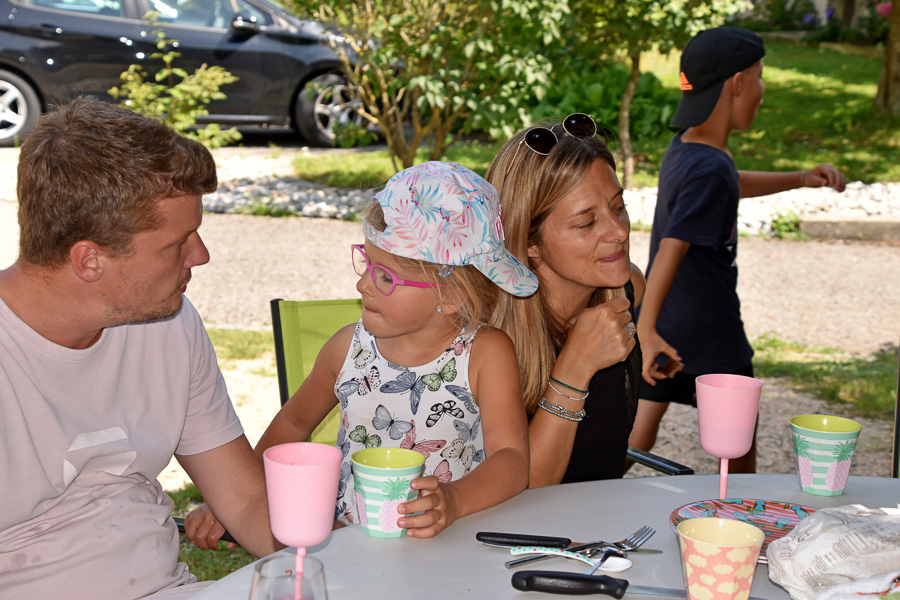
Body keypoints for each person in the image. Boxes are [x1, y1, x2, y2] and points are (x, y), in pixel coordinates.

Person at [0, 98, 278, 600]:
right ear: (89, 260)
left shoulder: (168, 324)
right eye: (178, 243)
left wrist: (354, 561)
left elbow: (245, 499)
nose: (201, 255)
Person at [188, 161, 534, 546]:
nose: (363, 284)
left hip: (447, 543)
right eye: (367, 263)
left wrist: (453, 501)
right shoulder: (345, 350)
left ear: (450, 296)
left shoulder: (485, 355)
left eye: (385, 277)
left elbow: (512, 459)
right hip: (346, 544)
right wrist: (237, 498)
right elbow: (292, 423)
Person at [630, 26, 847, 472]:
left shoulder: (689, 146)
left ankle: (591, 491)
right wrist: (645, 330)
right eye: (760, 76)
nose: (763, 90)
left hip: (670, 321)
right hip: (711, 333)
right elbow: (671, 247)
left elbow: (729, 181)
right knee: (738, 441)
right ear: (737, 83)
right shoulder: (709, 165)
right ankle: (742, 505)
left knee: (636, 436)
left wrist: (800, 178)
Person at [485, 113, 644, 487]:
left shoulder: (629, 287)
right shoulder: (484, 333)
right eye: (586, 223)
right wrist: (574, 368)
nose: (619, 231)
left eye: (618, 207)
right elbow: (524, 490)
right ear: (529, 241)